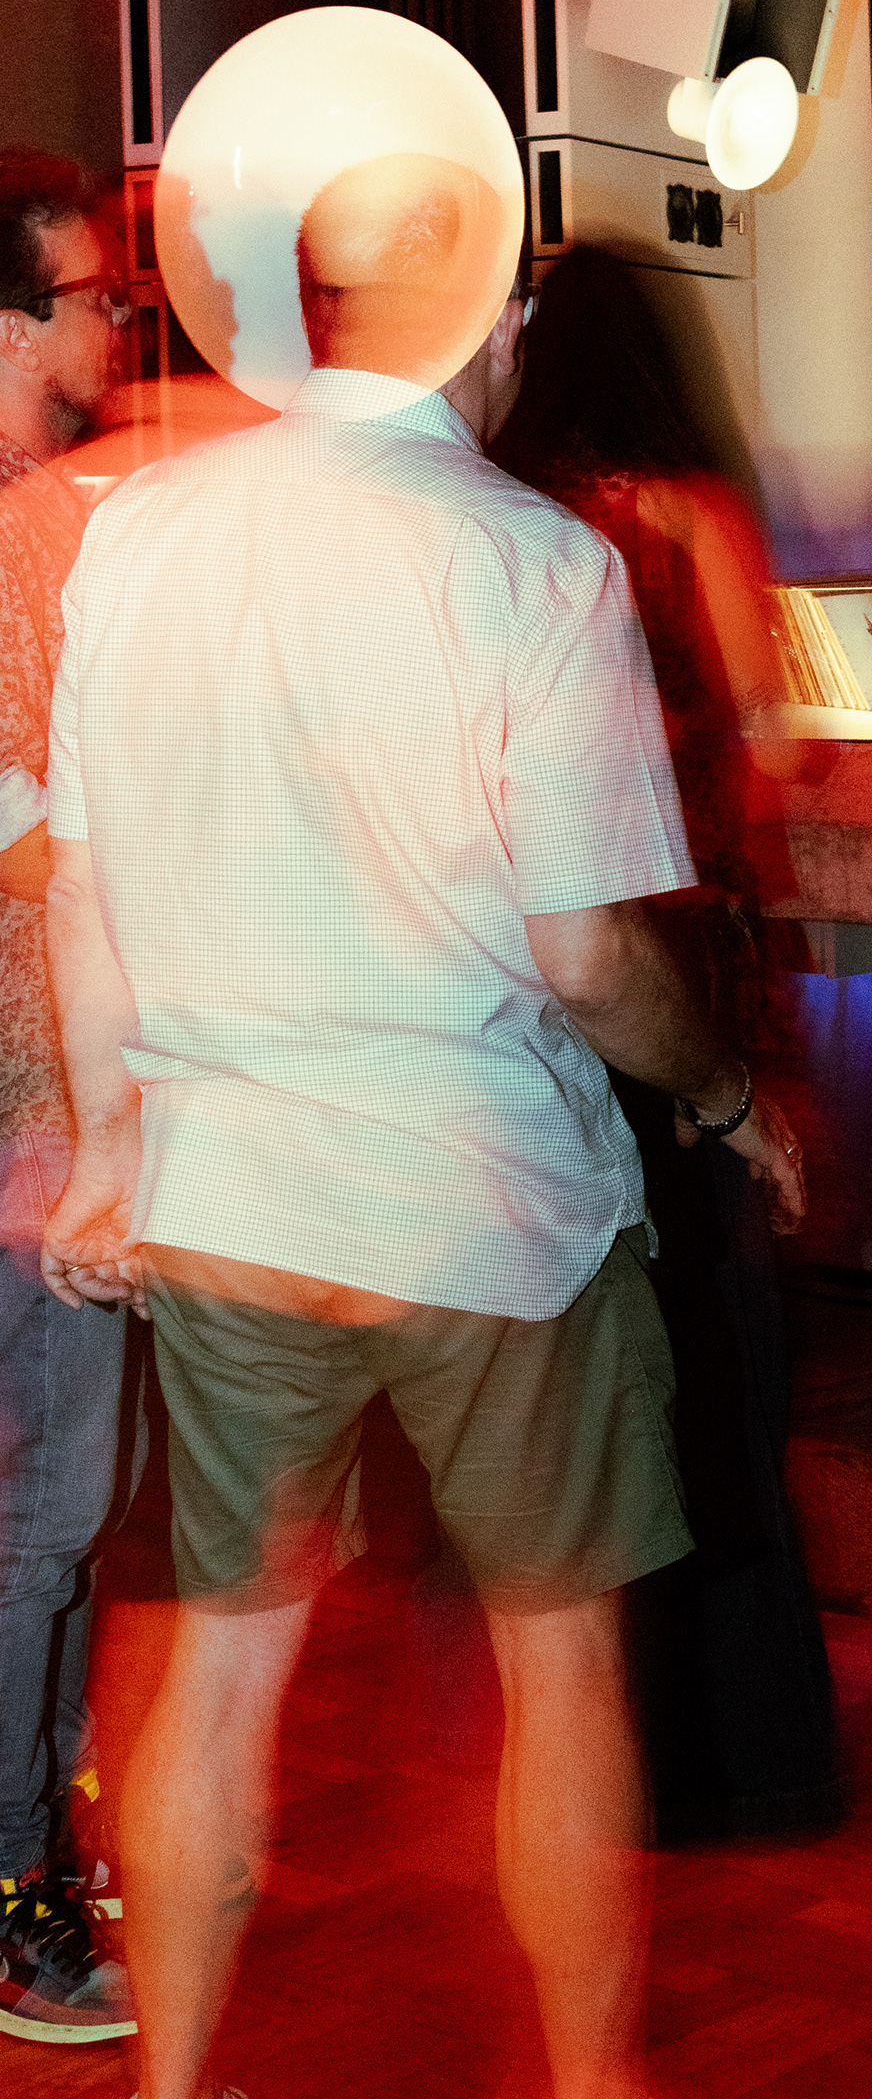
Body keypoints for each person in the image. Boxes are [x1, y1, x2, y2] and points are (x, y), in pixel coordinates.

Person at [36, 162, 803, 2099]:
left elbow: (84, 882)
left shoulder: (141, 533)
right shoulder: (536, 563)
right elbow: (588, 952)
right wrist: (721, 1093)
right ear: (498, 326)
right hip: (488, 1201)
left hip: (229, 1194)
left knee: (222, 1667)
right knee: (559, 1666)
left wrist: (113, 1143)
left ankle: (170, 2085)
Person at [494, 244, 841, 1842]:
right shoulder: (689, 517)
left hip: (539, 995)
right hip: (682, 974)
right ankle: (742, 1758)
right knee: (721, 1357)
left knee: (587, 1371)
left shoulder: (509, 520)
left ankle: (591, 1751)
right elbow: (777, 744)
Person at [0, 150, 134, 2046]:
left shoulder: (49, 516)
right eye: (94, 296)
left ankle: (41, 1850)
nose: (118, 321)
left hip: (53, 1092)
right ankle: (25, 1886)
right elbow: (26, 833)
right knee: (46, 1512)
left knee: (55, 1516)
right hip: (30, 1107)